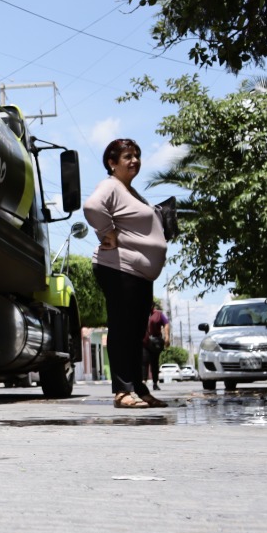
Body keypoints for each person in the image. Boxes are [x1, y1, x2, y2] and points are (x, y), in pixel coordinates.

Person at [84, 138, 169, 409]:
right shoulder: (110, 185)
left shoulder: (129, 191)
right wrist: (106, 232)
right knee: (122, 330)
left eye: (137, 155)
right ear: (112, 163)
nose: (134, 161)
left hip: (138, 274)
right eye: (127, 157)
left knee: (135, 334)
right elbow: (92, 207)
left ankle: (138, 387)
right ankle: (122, 391)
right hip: (119, 268)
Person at [145, 299, 170, 390]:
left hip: (155, 342)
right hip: (144, 341)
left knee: (154, 363)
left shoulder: (158, 314)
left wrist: (167, 337)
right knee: (144, 360)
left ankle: (155, 382)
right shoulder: (141, 313)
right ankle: (143, 382)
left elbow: (166, 324)